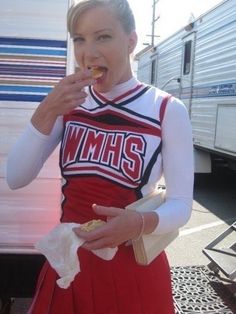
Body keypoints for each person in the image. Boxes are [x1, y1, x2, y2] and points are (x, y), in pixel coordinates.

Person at [6, 0, 194, 313]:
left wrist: (138, 223)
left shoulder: (167, 109)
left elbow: (181, 205)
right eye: (79, 38)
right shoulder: (68, 104)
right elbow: (15, 176)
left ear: (131, 41)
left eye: (103, 37)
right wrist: (47, 109)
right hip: (69, 265)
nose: (88, 53)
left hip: (132, 269)